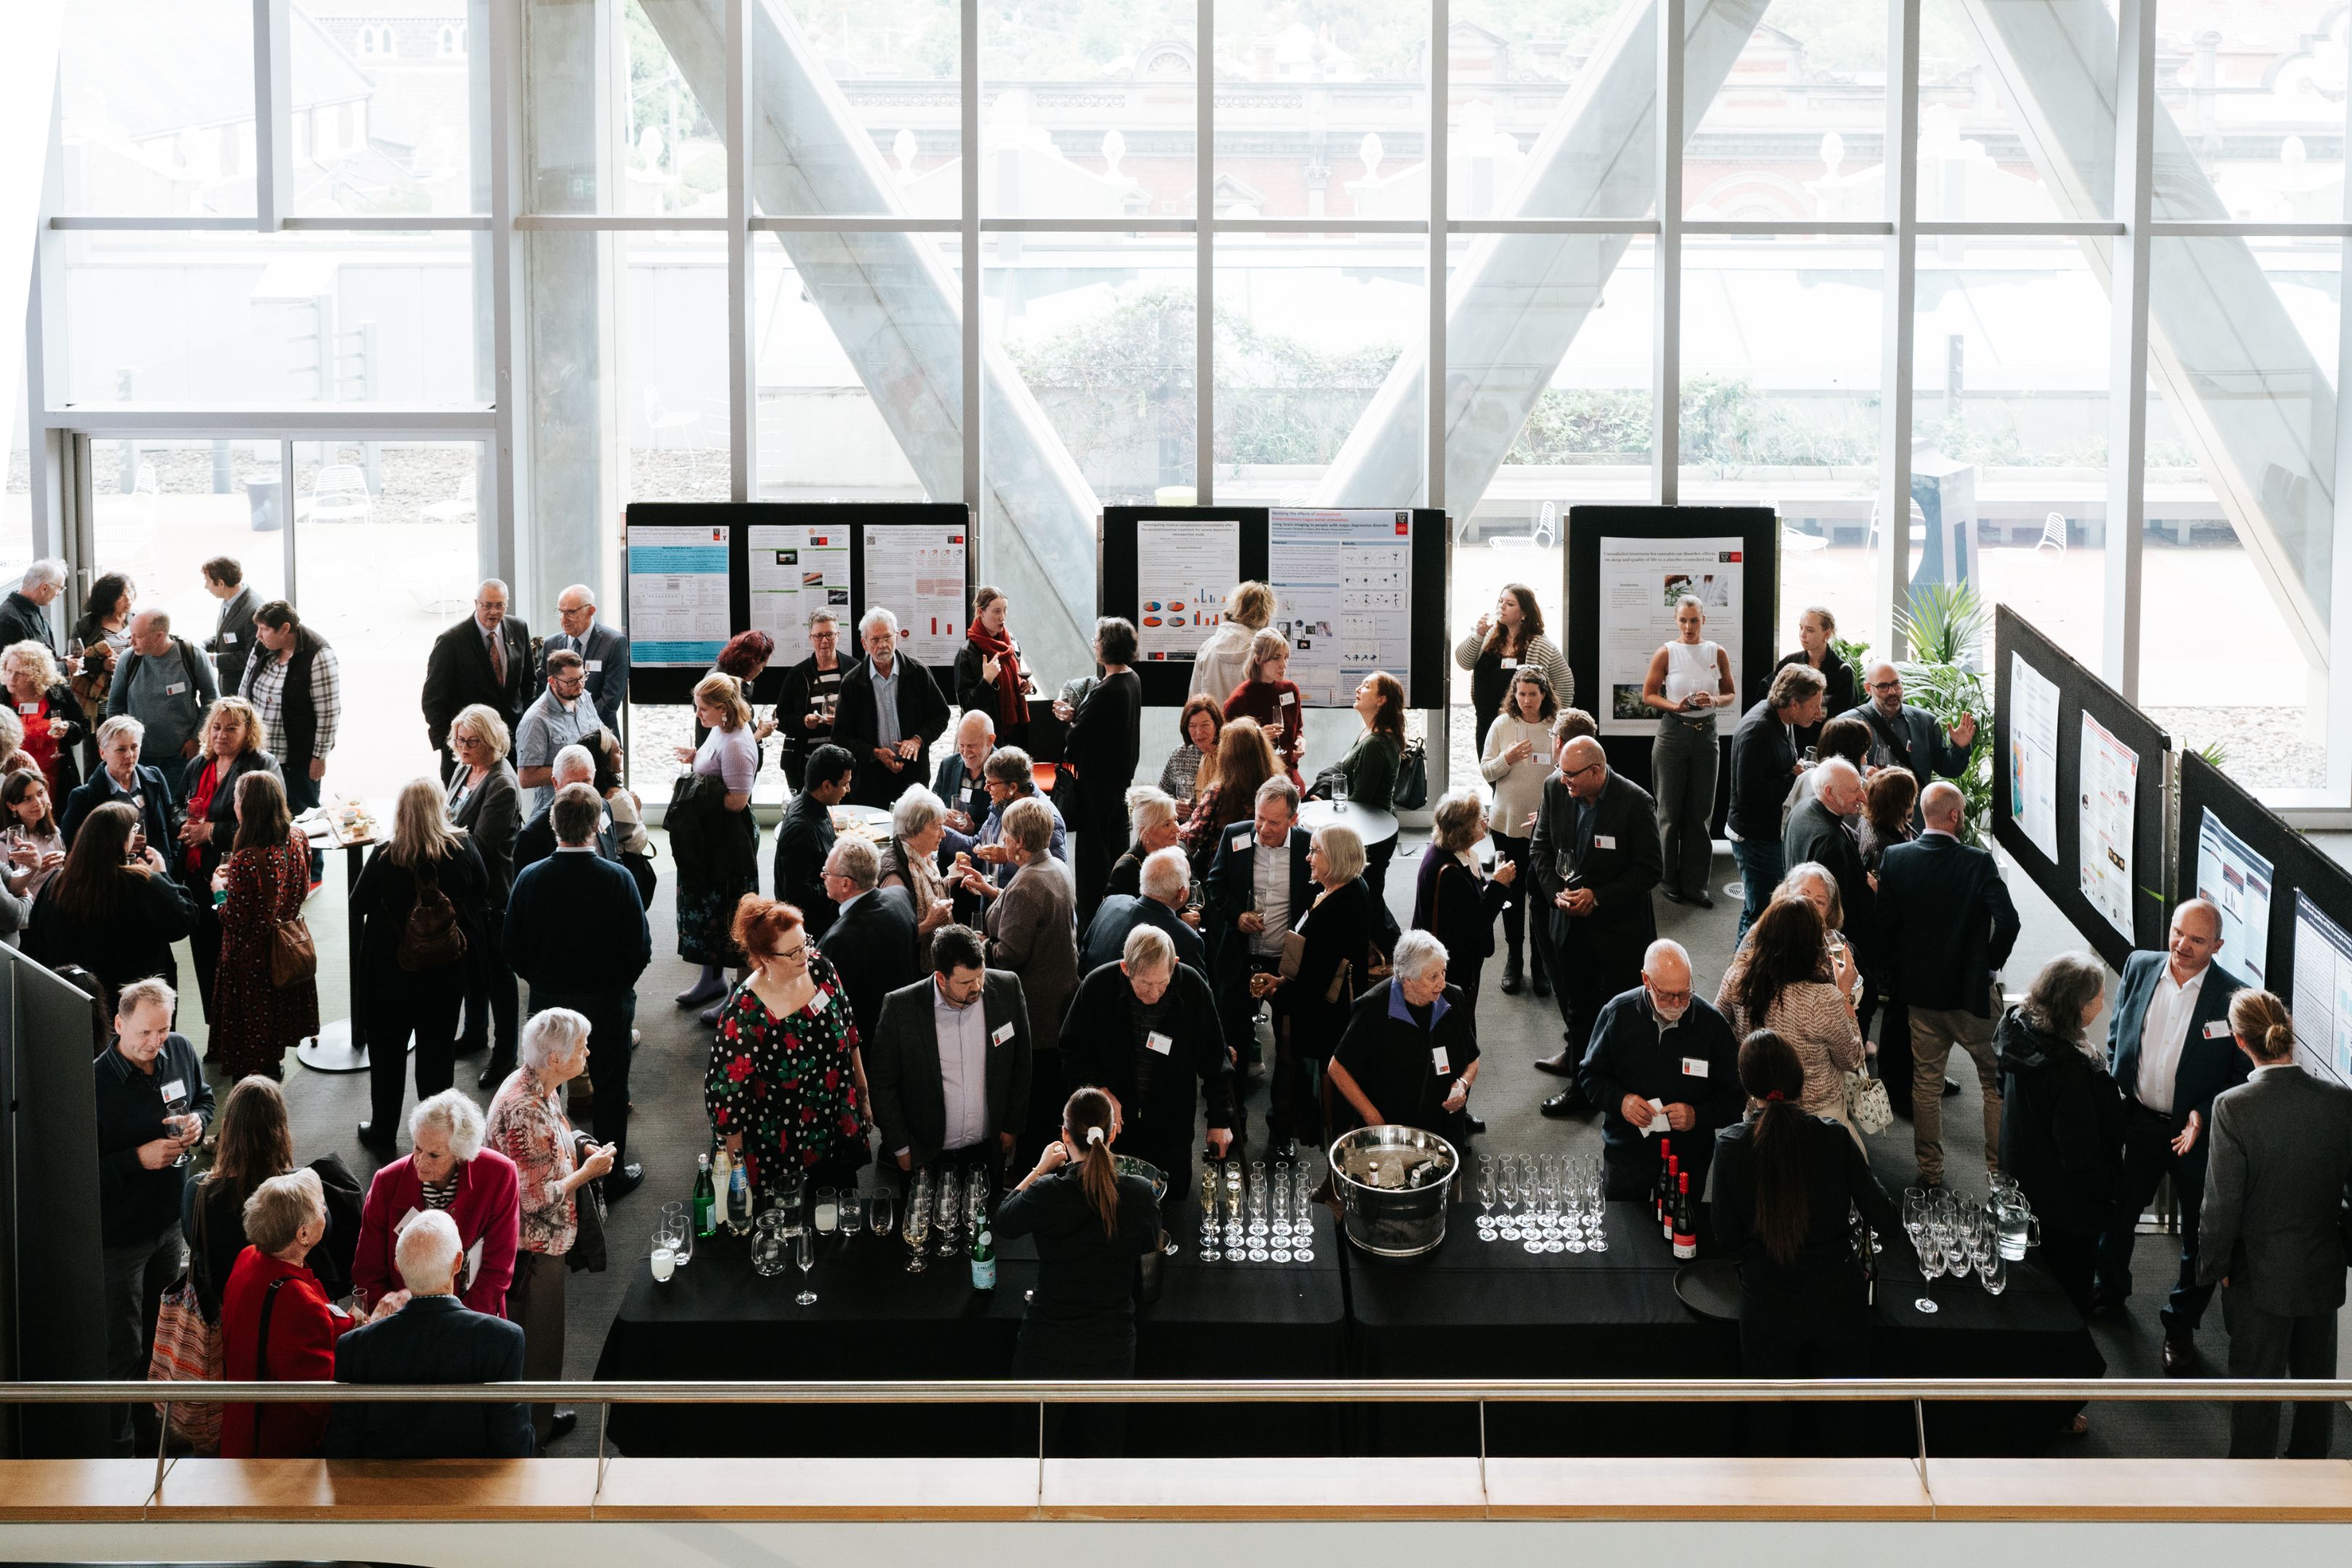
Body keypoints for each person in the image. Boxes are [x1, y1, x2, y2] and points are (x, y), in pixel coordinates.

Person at [1710, 1028, 1900, 1455]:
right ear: (1801, 1080)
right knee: (1842, 1425)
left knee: (1769, 1427)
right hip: (1838, 1301)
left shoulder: (1730, 1146)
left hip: (1766, 1305)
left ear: (1749, 1088)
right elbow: (1886, 1219)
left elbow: (1725, 1236)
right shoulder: (1834, 1137)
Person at [2091, 897, 2247, 1371]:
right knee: (2116, 1213)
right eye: (2178, 932)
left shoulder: (2233, 997)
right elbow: (2120, 1030)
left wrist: (2201, 1112)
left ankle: (2180, 1328)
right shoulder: (2140, 965)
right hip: (2138, 1121)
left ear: (2217, 945)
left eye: (2197, 940)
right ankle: (2110, 1291)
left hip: (2195, 1137)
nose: (2182, 945)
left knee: (2200, 1238)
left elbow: (2240, 1077)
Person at [2199, 989, 2352, 1458]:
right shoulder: (2342, 1101)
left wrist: (2215, 1267)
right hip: (2323, 1273)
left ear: (2241, 1042)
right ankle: (2309, 1493)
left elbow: (2221, 1207)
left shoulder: (2233, 1107)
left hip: (2258, 1280)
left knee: (2255, 1397)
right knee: (2317, 1397)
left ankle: (2251, 1494)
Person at [997, 1086, 1164, 1457]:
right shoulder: (1139, 1194)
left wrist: (1039, 1169)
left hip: (1046, 1343)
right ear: (1114, 1132)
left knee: (1031, 1454)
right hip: (1111, 1345)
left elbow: (1004, 1221)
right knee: (1105, 1459)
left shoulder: (1046, 1193)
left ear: (1064, 1135)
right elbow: (1149, 1242)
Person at [504, 783, 652, 1198]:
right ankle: (611, 1173)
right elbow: (640, 949)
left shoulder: (530, 878)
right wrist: (617, 986)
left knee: (547, 1086)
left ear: (554, 825)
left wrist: (543, 981)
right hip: (607, 1001)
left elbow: (511, 948)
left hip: (549, 1002)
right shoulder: (618, 878)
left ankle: (555, 1165)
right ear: (594, 827)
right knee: (610, 1085)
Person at [1874, 780, 2020, 1189]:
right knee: (1993, 1086)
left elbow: (1884, 927)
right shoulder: (1977, 863)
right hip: (1972, 998)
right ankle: (1996, 1178)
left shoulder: (1896, 858)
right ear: (1955, 815)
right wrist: (1988, 967)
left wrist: (1902, 975)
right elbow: (2009, 922)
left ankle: (1931, 1173)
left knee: (1925, 1084)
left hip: (1920, 997)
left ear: (1923, 814)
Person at [486, 1007, 614, 1450]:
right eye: (582, 1047)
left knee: (538, 1341)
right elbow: (535, 1197)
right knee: (540, 1345)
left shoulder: (540, 1084)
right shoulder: (525, 1111)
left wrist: (579, 1143)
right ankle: (533, 1433)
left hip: (538, 1243)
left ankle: (534, 1419)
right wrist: (589, 1171)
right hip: (534, 1249)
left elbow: (554, 1139)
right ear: (557, 1058)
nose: (588, 1053)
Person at [94, 976, 209, 1453]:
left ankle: (156, 1432)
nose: (155, 1042)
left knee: (163, 1337)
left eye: (162, 1030)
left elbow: (204, 1098)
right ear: (119, 1024)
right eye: (144, 1032)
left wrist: (200, 1123)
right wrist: (136, 1160)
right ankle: (120, 1450)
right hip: (120, 1239)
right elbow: (75, 1170)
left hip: (169, 1226)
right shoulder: (94, 1084)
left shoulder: (180, 1051)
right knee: (123, 1349)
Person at [351, 779, 494, 1150]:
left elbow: (358, 902)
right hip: (444, 973)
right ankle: (434, 1139)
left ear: (400, 812)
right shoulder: (462, 846)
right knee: (436, 1054)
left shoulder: (386, 854)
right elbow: (483, 887)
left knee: (387, 1056)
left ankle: (383, 1130)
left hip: (390, 974)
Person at [324, 1209, 533, 1460]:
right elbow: (513, 1443)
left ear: (398, 1266)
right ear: (458, 1263)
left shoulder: (354, 1346)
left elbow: (343, 1444)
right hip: (471, 1489)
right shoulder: (504, 1339)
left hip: (383, 1491)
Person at [708, 897, 873, 1201]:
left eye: (805, 943)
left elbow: (850, 1032)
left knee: (838, 1213)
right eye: (794, 951)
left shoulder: (821, 968)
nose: (805, 955)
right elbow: (727, 1103)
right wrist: (738, 1170)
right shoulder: (746, 1013)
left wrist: (862, 1094)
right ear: (766, 957)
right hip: (781, 1141)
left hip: (833, 1118)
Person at [1531, 736, 1662, 1115]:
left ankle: (1620, 1088)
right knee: (1579, 1009)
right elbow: (1541, 850)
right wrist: (1558, 893)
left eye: (1571, 774)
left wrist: (1598, 896)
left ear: (1596, 771)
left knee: (1619, 1013)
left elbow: (1651, 870)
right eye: (1560, 771)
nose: (1562, 779)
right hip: (1569, 926)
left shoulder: (1636, 803)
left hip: (1619, 932)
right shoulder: (1555, 790)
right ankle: (1583, 1088)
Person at [219, 1169, 385, 1457]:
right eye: (321, 1207)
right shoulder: (297, 1301)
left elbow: (279, 1334)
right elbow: (323, 1394)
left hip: (241, 1423)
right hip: (280, 1450)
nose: (325, 1210)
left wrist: (346, 1323)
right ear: (304, 1233)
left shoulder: (248, 1257)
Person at [1994, 952, 2123, 1318]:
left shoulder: (2017, 1028)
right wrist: (2113, 1187)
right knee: (2066, 1295)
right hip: (2065, 1207)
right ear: (2080, 1006)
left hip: (2025, 1181)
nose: (2104, 1002)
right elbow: (2080, 1156)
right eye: (2098, 996)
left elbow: (2002, 1085)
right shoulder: (2071, 1072)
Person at [1060, 925, 1236, 1189]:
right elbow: (1071, 1049)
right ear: (1125, 968)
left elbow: (1215, 1060)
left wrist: (1219, 1121)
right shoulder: (1097, 987)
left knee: (1173, 1207)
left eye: (1162, 983)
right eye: (1145, 984)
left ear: (1174, 965)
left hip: (1171, 1127)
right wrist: (1096, 1088)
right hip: (1114, 1132)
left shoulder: (1194, 990)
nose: (1154, 994)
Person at [866, 924, 1034, 1190]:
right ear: (941, 978)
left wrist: (1011, 1125)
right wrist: (900, 1147)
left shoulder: (1007, 988)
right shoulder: (901, 1008)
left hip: (986, 1151)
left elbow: (1021, 1062)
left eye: (980, 975)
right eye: (966, 982)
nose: (977, 987)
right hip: (926, 1154)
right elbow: (882, 1083)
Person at [1579, 940, 1744, 1199]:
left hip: (1687, 1161)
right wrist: (1622, 1101)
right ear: (1646, 980)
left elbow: (1735, 1100)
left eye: (1685, 992)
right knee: (1624, 1232)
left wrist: (1696, 1116)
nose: (1678, 1003)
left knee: (1680, 1234)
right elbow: (1590, 1077)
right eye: (1667, 995)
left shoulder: (1713, 1027)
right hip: (1627, 1154)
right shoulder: (1617, 1015)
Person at [1249, 822, 1376, 1156]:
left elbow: (1314, 985)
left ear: (1335, 858)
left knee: (1327, 1106)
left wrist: (1277, 992)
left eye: (1315, 851)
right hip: (1327, 1010)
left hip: (1324, 1021)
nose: (1307, 857)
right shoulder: (1346, 888)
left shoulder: (1338, 907)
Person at [184, 1077, 351, 1326]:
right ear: (281, 1129)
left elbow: (193, 1242)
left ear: (227, 1128)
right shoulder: (302, 1189)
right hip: (295, 1312)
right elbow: (324, 1238)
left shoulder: (197, 1192)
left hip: (230, 1315)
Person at [966, 798, 1079, 1148]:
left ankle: (1034, 1166)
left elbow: (1009, 956)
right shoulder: (1055, 868)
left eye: (1006, 834)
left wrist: (981, 943)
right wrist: (995, 893)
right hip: (1061, 1000)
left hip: (1037, 1011)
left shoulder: (1028, 885)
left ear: (1019, 841)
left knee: (1035, 1097)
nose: (1002, 841)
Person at [351, 1089, 521, 1318]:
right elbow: (367, 1272)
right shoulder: (386, 1182)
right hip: (402, 1320)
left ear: (460, 1155)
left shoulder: (500, 1175)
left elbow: (497, 1272)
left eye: (434, 1155)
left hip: (473, 1316)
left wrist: (457, 1324)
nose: (419, 1163)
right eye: (417, 1148)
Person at [1717, 896, 1866, 1140]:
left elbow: (1718, 1028)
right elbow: (1852, 1059)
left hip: (1756, 1108)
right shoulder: (1824, 998)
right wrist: (1846, 996)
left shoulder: (1738, 977)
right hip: (1817, 1115)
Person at [26, 800, 200, 1008]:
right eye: (133, 830)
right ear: (119, 840)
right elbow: (184, 920)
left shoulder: (57, 882)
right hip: (135, 1001)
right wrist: (163, 875)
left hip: (76, 998)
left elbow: (38, 937)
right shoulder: (141, 882)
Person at [208, 769, 319, 1082]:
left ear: (248, 806)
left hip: (250, 957)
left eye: (236, 799)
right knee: (274, 1014)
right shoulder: (297, 837)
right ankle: (272, 1064)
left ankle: (251, 1082)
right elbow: (302, 885)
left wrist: (219, 889)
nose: (234, 805)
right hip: (284, 943)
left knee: (250, 1025)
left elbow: (233, 918)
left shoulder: (247, 858)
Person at [1205, 777, 1312, 1093]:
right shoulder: (1235, 836)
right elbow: (1215, 886)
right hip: (1242, 957)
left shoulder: (1309, 847)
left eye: (1274, 823)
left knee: (1289, 1047)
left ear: (1293, 819)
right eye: (1259, 818)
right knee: (1234, 1043)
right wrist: (1237, 916)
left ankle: (1282, 1129)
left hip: (1285, 962)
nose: (1263, 829)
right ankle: (1232, 1123)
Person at [175, 698, 282, 1011]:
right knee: (206, 956)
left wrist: (210, 831)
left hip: (238, 876)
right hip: (197, 877)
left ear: (248, 731)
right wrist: (182, 824)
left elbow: (268, 825)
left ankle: (248, 1028)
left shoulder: (262, 766)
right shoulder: (198, 763)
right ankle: (216, 1030)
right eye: (216, 727)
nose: (221, 735)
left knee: (242, 960)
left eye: (231, 728)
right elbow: (176, 804)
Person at [1328, 931, 1480, 1146]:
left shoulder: (1454, 999)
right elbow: (1337, 1068)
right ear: (1408, 980)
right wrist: (1373, 1118)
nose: (1443, 984)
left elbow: (1473, 1059)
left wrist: (1463, 1084)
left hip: (1443, 1134)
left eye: (1443, 972)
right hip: (1391, 1138)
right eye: (1433, 977)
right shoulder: (1373, 1009)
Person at [671, 671, 761, 1013]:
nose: (698, 714)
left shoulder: (738, 742)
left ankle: (736, 995)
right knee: (708, 912)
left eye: (703, 708)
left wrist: (694, 796)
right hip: (711, 836)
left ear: (723, 708)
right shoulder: (720, 730)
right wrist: (696, 758)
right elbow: (715, 770)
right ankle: (711, 979)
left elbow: (737, 800)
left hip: (727, 842)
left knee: (728, 913)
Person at [1642, 594, 1736, 907]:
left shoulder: (1716, 652)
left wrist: (1716, 701)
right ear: (1676, 621)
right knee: (1668, 812)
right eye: (1683, 620)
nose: (1689, 626)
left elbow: (1730, 694)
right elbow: (1649, 695)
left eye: (1694, 620)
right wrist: (1675, 706)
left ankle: (1696, 885)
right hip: (1672, 733)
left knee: (1700, 814)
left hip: (1706, 735)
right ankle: (1668, 880)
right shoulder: (1667, 652)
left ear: (1703, 620)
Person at [446, 703, 523, 1082]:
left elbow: (479, 844)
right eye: (458, 739)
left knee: (496, 976)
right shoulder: (466, 768)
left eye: (471, 741)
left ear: (491, 740)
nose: (462, 747)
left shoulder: (503, 784)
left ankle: (505, 1051)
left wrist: (438, 836)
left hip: (491, 893)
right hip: (465, 892)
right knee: (470, 969)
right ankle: (475, 1033)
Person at [238, 600, 338, 878]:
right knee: (264, 817)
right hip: (260, 752)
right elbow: (244, 692)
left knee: (304, 818)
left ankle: (310, 875)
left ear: (285, 629)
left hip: (299, 757)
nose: (257, 635)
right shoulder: (264, 647)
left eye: (263, 629)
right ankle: (276, 872)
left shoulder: (318, 654)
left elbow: (328, 713)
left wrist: (319, 757)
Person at [1726, 664, 1826, 937]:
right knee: (1761, 913)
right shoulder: (1758, 731)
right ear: (1793, 704)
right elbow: (1750, 794)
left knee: (1757, 907)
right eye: (1814, 706)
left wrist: (1793, 770)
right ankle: (1744, 973)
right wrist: (1793, 778)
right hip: (1754, 838)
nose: (1819, 715)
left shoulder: (1781, 719)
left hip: (1767, 832)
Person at [1410, 787, 1517, 1038]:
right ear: (1464, 830)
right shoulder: (1449, 872)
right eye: (1480, 817)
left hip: (1448, 955)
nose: (1485, 820)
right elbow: (1475, 924)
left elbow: (1466, 903)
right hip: (1452, 964)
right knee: (1455, 1023)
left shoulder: (1453, 853)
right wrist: (1499, 886)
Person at [1057, 616, 1143, 923]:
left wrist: (1069, 718)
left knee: (1094, 861)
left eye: (1097, 639)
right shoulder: (1132, 679)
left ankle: (1094, 923)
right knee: (1117, 852)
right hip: (1119, 784)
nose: (1094, 644)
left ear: (1107, 646)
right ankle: (1117, 916)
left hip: (1096, 787)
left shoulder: (1108, 688)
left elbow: (1077, 736)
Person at [1479, 665, 1558, 997]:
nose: (1526, 700)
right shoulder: (1502, 725)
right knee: (1511, 894)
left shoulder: (1556, 727)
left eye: (1533, 694)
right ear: (1514, 694)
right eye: (1521, 694)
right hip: (1506, 823)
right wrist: (1506, 759)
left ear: (1544, 695)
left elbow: (1564, 775)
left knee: (1540, 895)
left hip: (1544, 827)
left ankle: (1539, 962)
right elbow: (1486, 771)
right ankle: (1514, 958)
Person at [833, 607, 950, 808]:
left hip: (913, 774)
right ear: (864, 643)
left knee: (912, 834)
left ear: (897, 637)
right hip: (870, 778)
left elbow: (941, 715)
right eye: (875, 640)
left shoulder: (918, 672)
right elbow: (840, 736)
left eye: (887, 637)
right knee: (873, 836)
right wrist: (875, 752)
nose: (882, 645)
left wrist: (917, 740)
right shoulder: (852, 682)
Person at [421, 579, 535, 777]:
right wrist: (451, 744)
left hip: (510, 747)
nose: (494, 612)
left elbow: (528, 683)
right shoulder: (451, 641)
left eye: (500, 605)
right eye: (487, 605)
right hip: (468, 752)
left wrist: (523, 730)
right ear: (476, 604)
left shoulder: (519, 628)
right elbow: (433, 699)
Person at [817, 834, 923, 1045]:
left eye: (827, 873)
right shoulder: (900, 895)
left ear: (846, 884)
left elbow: (832, 1003)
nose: (822, 876)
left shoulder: (838, 940)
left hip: (868, 1037)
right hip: (905, 1023)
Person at [1855, 764, 1920, 1108]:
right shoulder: (1883, 845)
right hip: (1893, 945)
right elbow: (1884, 904)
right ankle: (1898, 1087)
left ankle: (1913, 1077)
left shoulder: (1889, 827)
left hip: (1897, 941)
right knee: (1899, 1017)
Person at [1313, 671, 1408, 894]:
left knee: (1367, 903)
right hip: (1374, 828)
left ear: (1381, 700)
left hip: (1372, 834)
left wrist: (1327, 815)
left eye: (1366, 686)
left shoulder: (1375, 744)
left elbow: (1359, 802)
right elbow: (1343, 768)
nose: (1358, 689)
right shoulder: (1369, 732)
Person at [1453, 583, 1573, 758]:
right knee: (1490, 768)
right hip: (1486, 720)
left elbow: (1565, 684)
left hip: (1519, 724)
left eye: (1510, 604)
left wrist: (1549, 718)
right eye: (1501, 601)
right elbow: (1464, 661)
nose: (1502, 607)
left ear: (1524, 613)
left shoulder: (1539, 645)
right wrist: (1478, 635)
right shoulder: (1489, 636)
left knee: (1514, 771)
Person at [1844, 661, 1976, 817]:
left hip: (1915, 820)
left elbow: (1948, 769)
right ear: (1868, 688)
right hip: (1871, 817)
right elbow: (1835, 769)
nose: (1892, 692)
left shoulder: (1925, 722)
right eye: (1883, 687)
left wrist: (1959, 747)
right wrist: (1864, 771)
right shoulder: (1849, 724)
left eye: (1896, 684)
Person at [104, 609, 219, 782]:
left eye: (138, 636)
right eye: (131, 635)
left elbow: (212, 700)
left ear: (159, 636)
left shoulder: (192, 655)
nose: (131, 642)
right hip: (138, 757)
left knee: (176, 806)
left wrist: (196, 738)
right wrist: (121, 746)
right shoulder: (128, 659)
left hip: (181, 755)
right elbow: (115, 706)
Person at [1781, 758, 1871, 953]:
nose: (1863, 797)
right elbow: (1836, 913)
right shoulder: (1830, 844)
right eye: (1854, 790)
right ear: (1829, 792)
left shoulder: (1802, 808)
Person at [1081, 845, 1207, 977]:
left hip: (1092, 995)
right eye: (1188, 880)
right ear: (1181, 893)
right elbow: (1198, 993)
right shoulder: (1186, 938)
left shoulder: (1111, 903)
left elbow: (1083, 963)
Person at [60, 714, 176, 854]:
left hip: (158, 870)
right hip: (114, 873)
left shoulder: (155, 777)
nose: (130, 755)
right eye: (121, 749)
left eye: (134, 747)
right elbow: (71, 846)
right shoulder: (83, 796)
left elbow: (171, 828)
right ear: (103, 753)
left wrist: (171, 863)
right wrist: (117, 848)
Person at [513, 650, 609, 814]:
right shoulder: (535, 721)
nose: (579, 685)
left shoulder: (583, 696)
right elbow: (526, 778)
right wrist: (573, 770)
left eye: (582, 677)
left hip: (589, 801)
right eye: (571, 681)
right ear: (552, 681)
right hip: (557, 810)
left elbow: (600, 732)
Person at [775, 741, 852, 939]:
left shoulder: (811, 802)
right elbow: (798, 894)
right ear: (826, 786)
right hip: (814, 925)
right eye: (844, 784)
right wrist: (844, 884)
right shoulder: (802, 829)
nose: (848, 790)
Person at [1179, 716, 1278, 865]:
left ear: (1228, 755)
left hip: (1223, 872)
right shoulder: (1276, 787)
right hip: (1266, 866)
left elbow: (1191, 837)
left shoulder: (1218, 793)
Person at [880, 785, 958, 971]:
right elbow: (890, 939)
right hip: (909, 969)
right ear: (915, 828)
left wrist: (951, 879)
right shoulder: (895, 878)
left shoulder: (922, 856)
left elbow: (930, 892)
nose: (944, 833)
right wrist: (931, 923)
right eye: (937, 826)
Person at [513, 743, 621, 875]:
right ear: (555, 783)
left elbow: (614, 857)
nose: (582, 790)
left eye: (587, 781)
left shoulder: (604, 807)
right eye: (573, 784)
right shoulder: (532, 835)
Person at [1220, 629, 1306, 788]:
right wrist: (1257, 738)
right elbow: (1225, 752)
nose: (1284, 665)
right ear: (1258, 659)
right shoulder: (1238, 701)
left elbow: (1297, 730)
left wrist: (1301, 741)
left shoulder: (1290, 690)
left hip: (1290, 781)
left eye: (1286, 657)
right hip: (1256, 786)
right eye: (1276, 658)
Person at [69, 571, 137, 768]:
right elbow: (75, 661)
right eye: (122, 595)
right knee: (100, 752)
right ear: (108, 597)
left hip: (131, 696)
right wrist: (102, 665)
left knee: (130, 748)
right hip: (98, 701)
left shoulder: (135, 620)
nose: (129, 598)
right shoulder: (87, 625)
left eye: (131, 592)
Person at [542, 581, 629, 732]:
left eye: (571, 612)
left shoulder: (614, 643)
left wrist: (578, 726)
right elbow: (543, 691)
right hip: (557, 733)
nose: (563, 619)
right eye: (561, 612)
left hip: (598, 734)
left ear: (590, 611)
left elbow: (611, 700)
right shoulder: (551, 644)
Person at [777, 611, 849, 792]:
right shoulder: (797, 674)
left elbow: (867, 715)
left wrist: (842, 720)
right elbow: (782, 719)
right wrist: (804, 721)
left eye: (829, 634)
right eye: (818, 635)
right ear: (811, 638)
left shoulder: (853, 669)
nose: (824, 641)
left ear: (838, 636)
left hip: (844, 766)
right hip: (806, 764)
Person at [956, 584, 1032, 754]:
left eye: (1005, 611)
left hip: (1016, 731)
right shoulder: (968, 653)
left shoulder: (1010, 643)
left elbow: (1015, 681)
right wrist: (987, 681)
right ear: (981, 612)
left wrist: (1025, 686)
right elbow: (968, 706)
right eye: (996, 612)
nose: (1002, 617)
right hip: (988, 737)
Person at [4, 638, 84, 796]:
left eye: (20, 673)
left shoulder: (58, 693)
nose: (12, 678)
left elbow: (83, 727)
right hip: (13, 780)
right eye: (9, 670)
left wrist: (68, 728)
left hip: (56, 776)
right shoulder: (2, 698)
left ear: (36, 674)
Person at [1773, 605, 1858, 756]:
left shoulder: (1842, 672)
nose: (1802, 635)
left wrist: (1812, 710)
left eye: (1810, 630)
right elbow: (1770, 697)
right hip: (1790, 742)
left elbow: (1843, 715)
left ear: (1827, 633)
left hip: (1826, 748)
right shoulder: (1789, 663)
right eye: (1801, 628)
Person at [1781, 714, 1871, 833]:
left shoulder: (1804, 777)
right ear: (1853, 754)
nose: (1865, 760)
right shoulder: (1864, 790)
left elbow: (1787, 814)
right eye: (1864, 753)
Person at [1188, 580, 1274, 703]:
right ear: (1265, 614)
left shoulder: (1207, 647)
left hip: (1213, 722)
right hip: (1250, 723)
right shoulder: (1265, 652)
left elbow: (1194, 700)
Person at [1107, 785, 1182, 901]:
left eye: (1176, 820)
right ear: (1145, 831)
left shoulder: (1181, 851)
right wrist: (1177, 918)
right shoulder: (1126, 871)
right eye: (1167, 824)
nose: (1177, 829)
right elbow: (1123, 915)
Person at [202, 557, 261, 698]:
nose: (206, 586)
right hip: (228, 685)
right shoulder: (229, 600)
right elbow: (229, 634)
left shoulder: (253, 610)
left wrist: (212, 659)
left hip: (241, 690)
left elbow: (251, 656)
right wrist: (202, 645)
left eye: (208, 581)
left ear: (221, 583)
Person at [931, 709, 996, 837]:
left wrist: (974, 829)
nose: (965, 753)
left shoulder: (1006, 770)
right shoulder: (948, 765)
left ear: (990, 740)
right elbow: (932, 804)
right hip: (947, 850)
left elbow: (1008, 825)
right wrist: (942, 813)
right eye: (961, 745)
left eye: (972, 746)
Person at [1158, 695, 1222, 812]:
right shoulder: (1180, 755)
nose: (1198, 732)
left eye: (1205, 725)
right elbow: (1161, 795)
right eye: (1192, 726)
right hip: (1184, 825)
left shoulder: (1229, 753)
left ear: (1216, 724)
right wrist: (1172, 805)